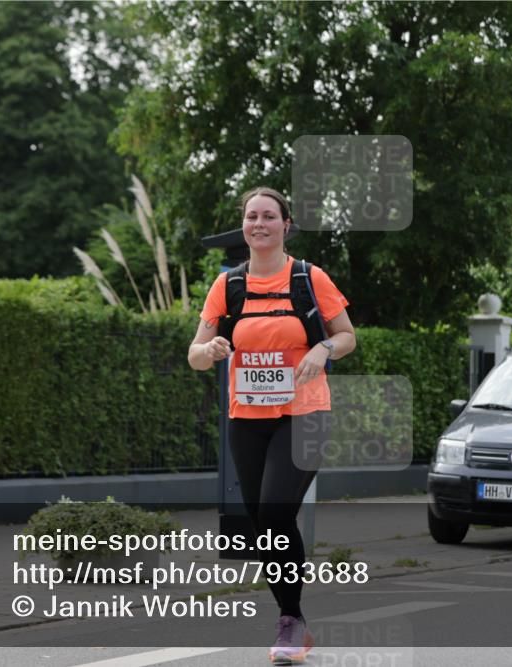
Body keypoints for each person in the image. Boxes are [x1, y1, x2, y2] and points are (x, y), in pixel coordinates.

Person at [188, 187, 356, 664]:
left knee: (277, 511)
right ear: (243, 226)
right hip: (247, 417)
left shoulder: (309, 277)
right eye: (251, 217)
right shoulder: (228, 286)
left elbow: (346, 336)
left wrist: (323, 349)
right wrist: (212, 350)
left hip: (303, 415)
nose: (258, 224)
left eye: (268, 216)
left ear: (286, 225)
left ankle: (289, 621)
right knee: (263, 521)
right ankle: (294, 618)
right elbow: (195, 355)